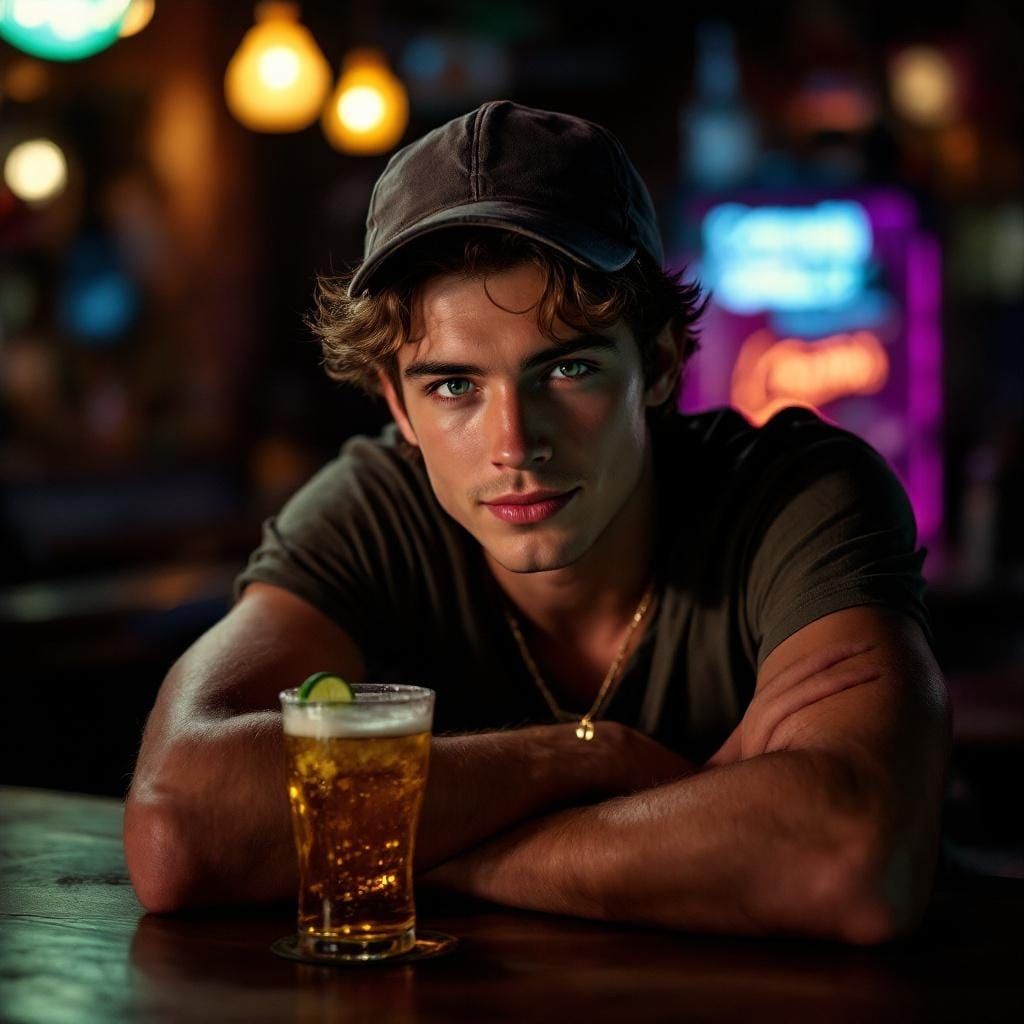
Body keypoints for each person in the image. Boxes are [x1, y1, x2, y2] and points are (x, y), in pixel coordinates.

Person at [124, 100, 952, 945]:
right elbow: (177, 828)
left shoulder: (797, 495)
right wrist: (585, 756)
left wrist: (413, 849)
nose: (514, 445)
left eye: (568, 369)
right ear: (396, 406)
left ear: (660, 362)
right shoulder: (374, 507)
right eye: (454, 387)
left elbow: (848, 856)